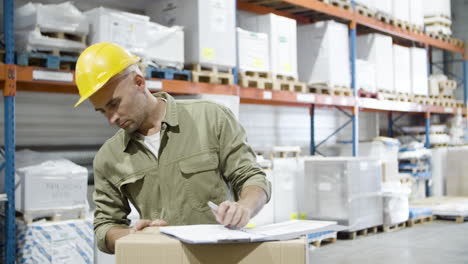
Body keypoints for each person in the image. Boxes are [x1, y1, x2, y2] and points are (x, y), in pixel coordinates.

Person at [74, 42, 271, 254]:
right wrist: (133, 235)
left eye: (114, 104)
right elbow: (105, 226)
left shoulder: (211, 118)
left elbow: (251, 176)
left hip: (219, 257)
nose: (111, 118)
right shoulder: (108, 158)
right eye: (102, 111)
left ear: (138, 82)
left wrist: (244, 207)